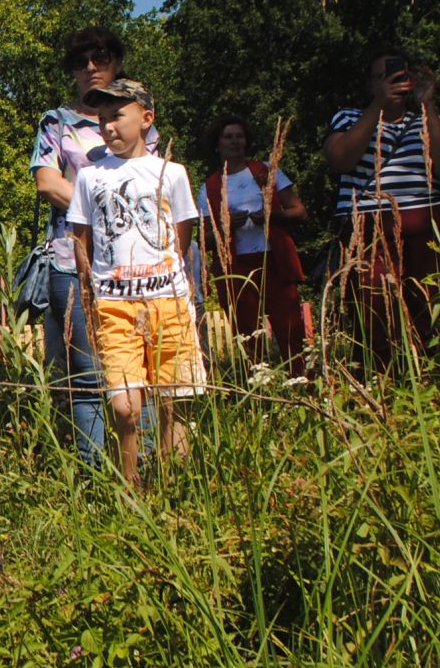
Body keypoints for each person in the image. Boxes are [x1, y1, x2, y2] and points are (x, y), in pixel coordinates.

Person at [66, 79, 204, 486]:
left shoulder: (172, 173)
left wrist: (170, 275)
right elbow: (81, 238)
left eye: (117, 116)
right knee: (125, 406)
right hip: (114, 306)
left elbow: (182, 233)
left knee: (174, 401)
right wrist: (89, 289)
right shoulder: (91, 177)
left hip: (169, 301)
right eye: (103, 119)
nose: (109, 126)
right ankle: (132, 488)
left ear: (146, 118)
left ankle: (171, 484)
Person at [29, 26, 155, 466]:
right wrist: (101, 211)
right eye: (81, 62)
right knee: (85, 376)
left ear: (116, 63)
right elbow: (47, 182)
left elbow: (152, 180)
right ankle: (94, 475)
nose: (90, 68)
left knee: (140, 370)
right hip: (72, 261)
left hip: (134, 266)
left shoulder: (137, 115)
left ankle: (145, 468)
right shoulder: (56, 121)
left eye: (99, 58)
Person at [321, 46, 440, 367]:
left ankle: (429, 378)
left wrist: (428, 104)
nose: (392, 82)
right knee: (375, 314)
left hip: (425, 225)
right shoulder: (349, 117)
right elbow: (340, 158)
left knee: (429, 308)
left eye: (399, 75)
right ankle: (380, 386)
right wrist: (377, 108)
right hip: (368, 228)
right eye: (382, 77)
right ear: (371, 85)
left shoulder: (429, 120)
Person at [198, 116, 308, 369]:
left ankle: (303, 383)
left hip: (274, 258)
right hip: (236, 266)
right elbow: (204, 239)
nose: (235, 141)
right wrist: (226, 227)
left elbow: (299, 211)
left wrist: (273, 216)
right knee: (247, 330)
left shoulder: (266, 170)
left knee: (289, 326)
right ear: (217, 144)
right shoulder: (209, 187)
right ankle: (262, 386)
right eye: (228, 136)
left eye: (240, 136)